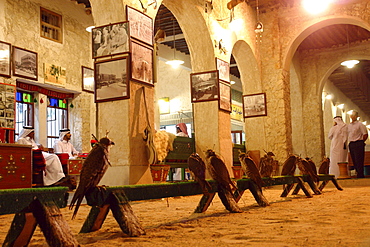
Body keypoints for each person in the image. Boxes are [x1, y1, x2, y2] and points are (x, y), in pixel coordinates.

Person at [348, 111, 368, 178]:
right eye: (351, 115)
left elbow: (365, 134)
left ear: (356, 116)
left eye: (354, 115)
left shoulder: (360, 124)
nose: (352, 117)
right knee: (354, 159)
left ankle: (360, 174)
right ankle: (357, 172)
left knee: (359, 159)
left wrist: (361, 142)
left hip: (358, 143)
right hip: (351, 143)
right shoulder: (349, 125)